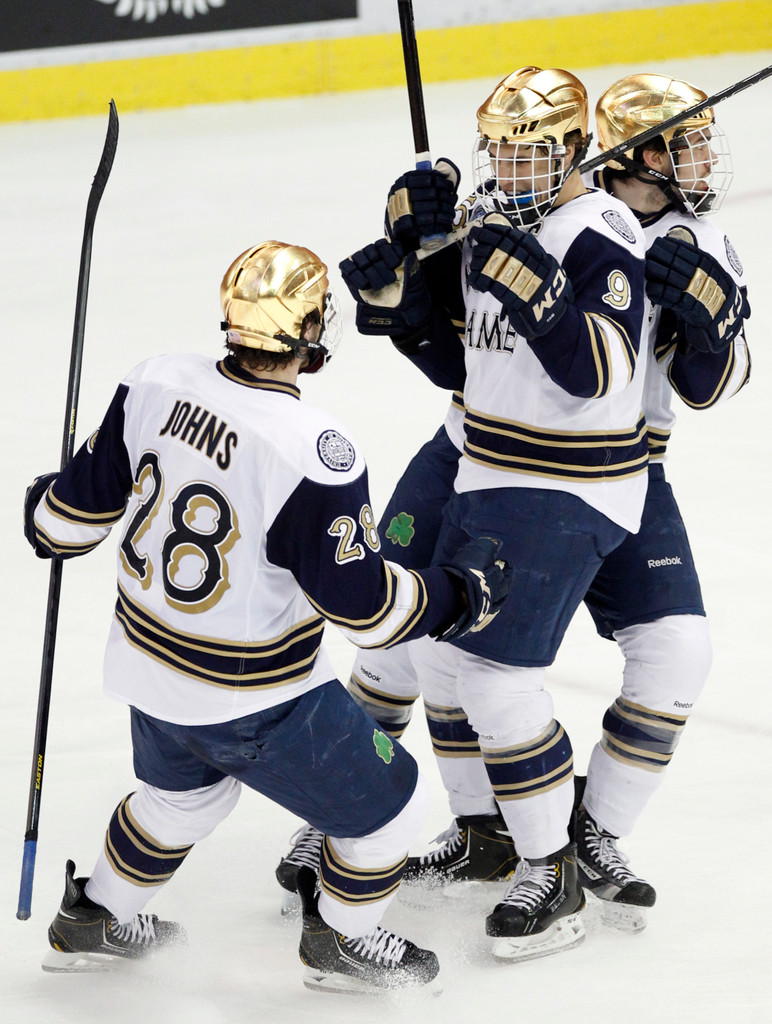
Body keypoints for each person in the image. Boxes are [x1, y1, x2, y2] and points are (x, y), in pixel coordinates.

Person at [278, 69, 751, 942]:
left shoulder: (686, 241)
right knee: (402, 638)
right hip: (477, 449)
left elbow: (706, 384)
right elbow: (462, 352)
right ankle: (441, 826)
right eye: (682, 143)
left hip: (618, 469)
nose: (699, 158)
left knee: (674, 652)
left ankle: (583, 836)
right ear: (629, 151)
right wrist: (414, 251)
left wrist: (713, 318)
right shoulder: (521, 213)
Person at [23, 240, 511, 993]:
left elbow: (61, 527)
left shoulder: (153, 381)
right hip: (250, 697)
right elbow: (367, 615)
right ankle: (344, 942)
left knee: (181, 799)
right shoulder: (312, 449)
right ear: (309, 332)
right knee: (394, 811)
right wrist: (459, 594)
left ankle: (97, 917)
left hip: (147, 671)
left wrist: (43, 498)